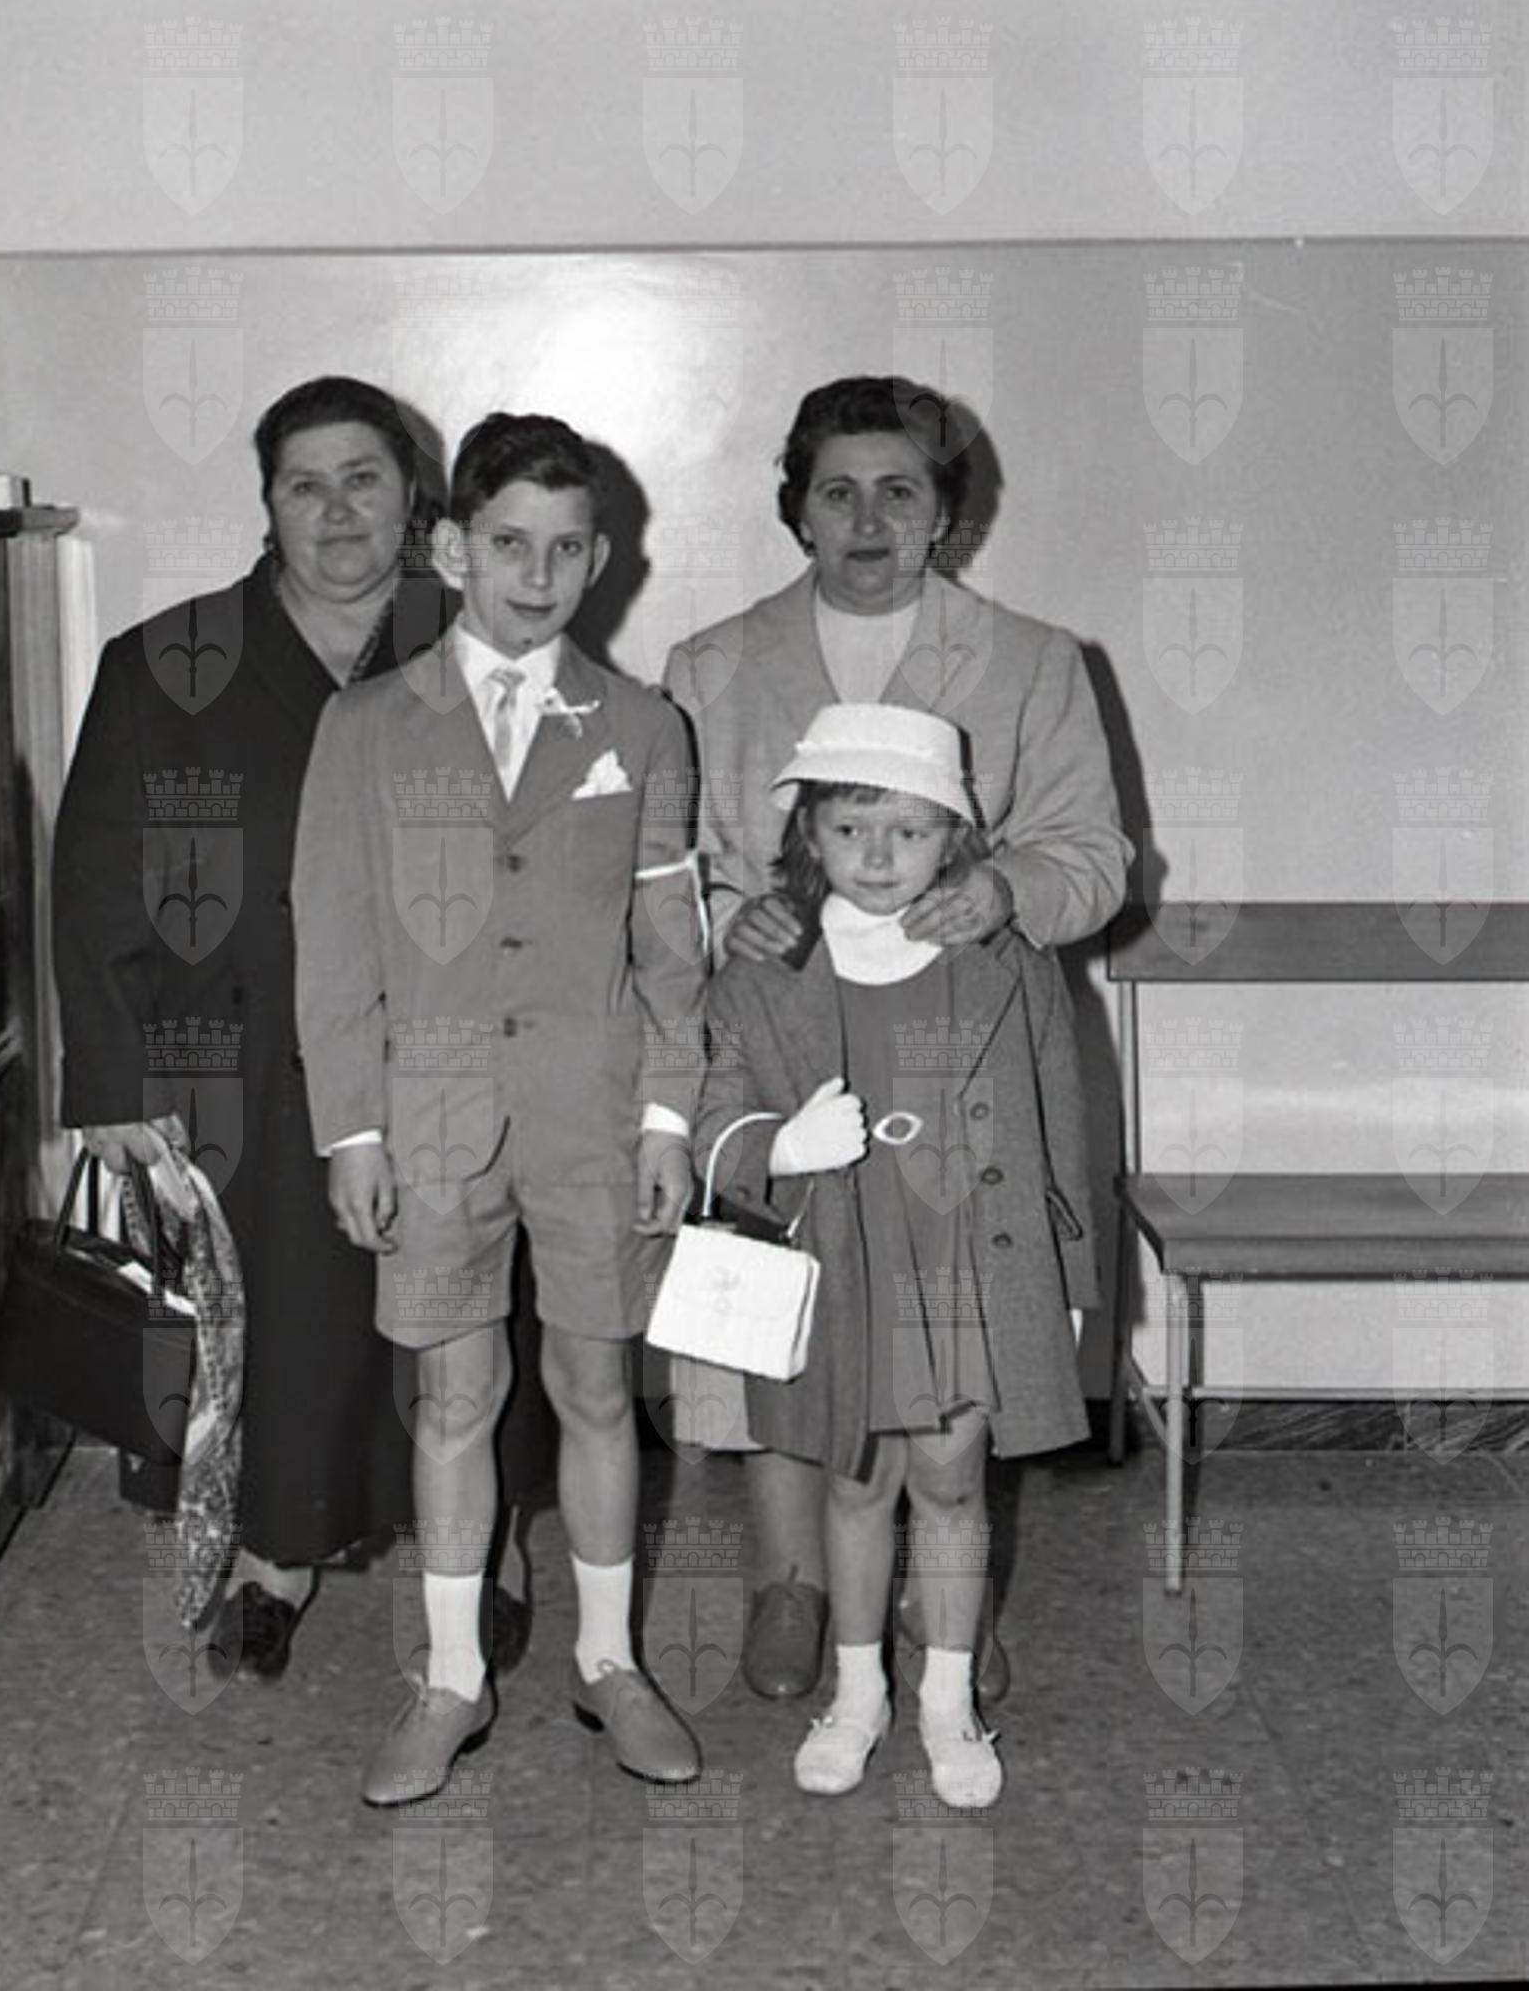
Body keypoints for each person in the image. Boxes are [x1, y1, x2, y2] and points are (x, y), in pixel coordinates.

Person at [51, 375, 545, 1685]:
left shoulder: (487, 644)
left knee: (463, 1316)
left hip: (449, 1055)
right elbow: (93, 882)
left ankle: (485, 1548)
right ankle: (274, 1556)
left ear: (413, 496)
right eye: (303, 485)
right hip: (237, 1054)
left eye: (363, 479)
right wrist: (108, 1084)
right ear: (267, 504)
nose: (336, 510)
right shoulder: (164, 662)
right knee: (278, 1326)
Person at [662, 374, 1130, 1703]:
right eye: (837, 492)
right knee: (787, 1299)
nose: (867, 520)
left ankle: (941, 1598)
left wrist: (1005, 888)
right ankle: (788, 1581)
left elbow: (1092, 855)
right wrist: (729, 914)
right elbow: (661, 862)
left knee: (943, 1326)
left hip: (951, 1040)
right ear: (795, 511)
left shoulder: (1032, 660)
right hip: (784, 1024)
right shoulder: (708, 664)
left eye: (898, 492)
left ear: (943, 514)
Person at [292, 412, 706, 1805]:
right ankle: (451, 1677)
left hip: (594, 1116)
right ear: (452, 547)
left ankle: (608, 1660)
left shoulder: (641, 727)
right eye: (509, 544)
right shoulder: (365, 725)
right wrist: (352, 1130)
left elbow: (671, 952)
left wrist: (667, 1121)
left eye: (567, 548)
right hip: (430, 1120)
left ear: (600, 557)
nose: (538, 575)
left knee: (597, 1391)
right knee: (453, 1399)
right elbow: (333, 944)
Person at [695, 702, 1098, 1804]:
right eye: (849, 829)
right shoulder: (767, 966)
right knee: (856, 1479)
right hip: (845, 1262)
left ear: (954, 837)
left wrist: (1065, 1279)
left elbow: (1059, 1120)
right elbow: (714, 1111)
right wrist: (781, 1146)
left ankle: (947, 1698)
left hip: (966, 1262)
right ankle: (858, 1691)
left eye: (909, 831)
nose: (878, 858)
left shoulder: (1004, 961)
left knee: (953, 1481)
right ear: (808, 834)